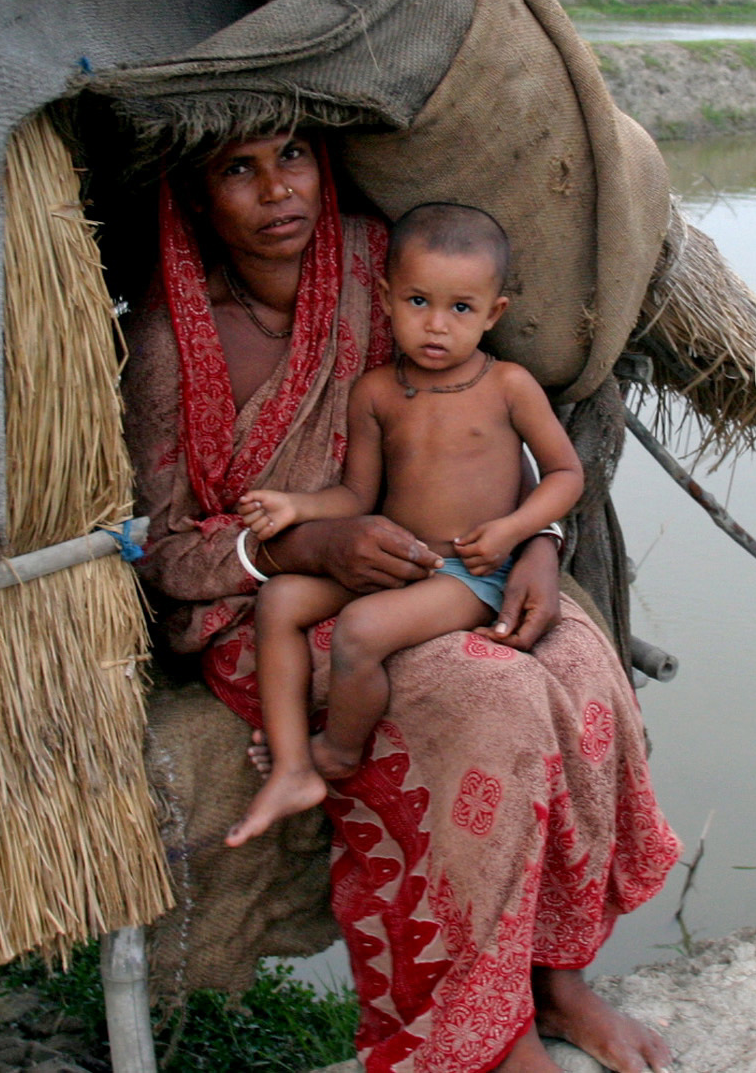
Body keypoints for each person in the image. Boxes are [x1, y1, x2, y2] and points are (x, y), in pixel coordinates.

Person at [124, 132, 680, 1073]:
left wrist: (540, 540)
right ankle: (486, 1036)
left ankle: (557, 977)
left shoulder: (379, 265)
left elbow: (492, 427)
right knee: (488, 699)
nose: (276, 189)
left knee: (581, 664)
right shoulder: (169, 336)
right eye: (237, 169)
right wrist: (308, 538)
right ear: (193, 193)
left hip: (454, 557)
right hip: (271, 599)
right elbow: (166, 549)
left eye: (292, 154)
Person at [226, 203, 585, 846]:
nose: (437, 326)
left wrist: (511, 532)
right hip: (401, 560)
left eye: (461, 309)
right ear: (388, 298)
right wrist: (296, 507)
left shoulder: (508, 385)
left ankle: (336, 752)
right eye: (418, 301)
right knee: (280, 600)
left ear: (493, 313)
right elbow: (356, 493)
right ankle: (290, 767)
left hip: (473, 572)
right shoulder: (377, 392)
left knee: (360, 631)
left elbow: (565, 475)